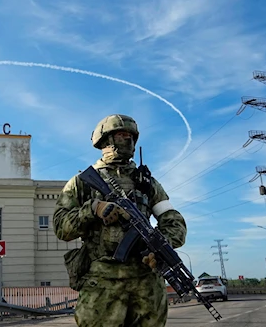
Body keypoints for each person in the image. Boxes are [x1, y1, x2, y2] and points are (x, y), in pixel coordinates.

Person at [53, 114, 187, 327]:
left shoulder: (148, 183)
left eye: (131, 136)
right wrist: (92, 209)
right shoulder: (82, 182)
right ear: (105, 140)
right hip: (103, 281)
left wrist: (161, 245)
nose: (128, 140)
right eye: (122, 135)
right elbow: (61, 227)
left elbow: (174, 222)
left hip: (146, 281)